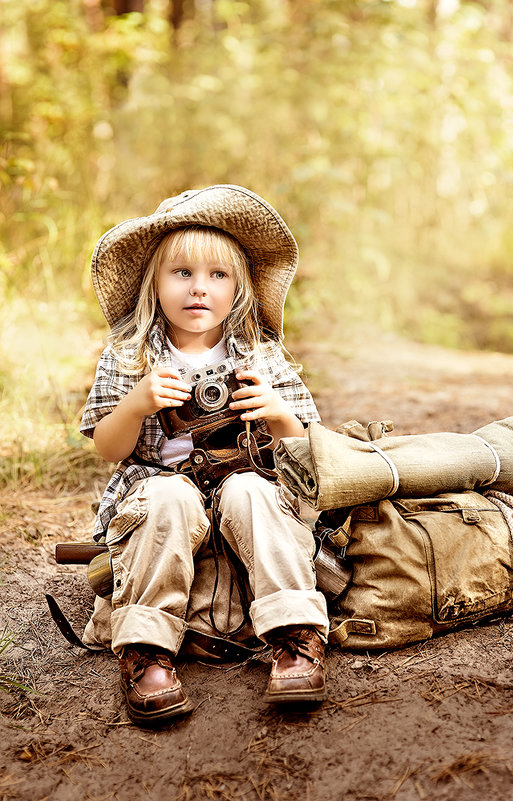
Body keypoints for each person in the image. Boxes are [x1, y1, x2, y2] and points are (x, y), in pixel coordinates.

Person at [80, 184, 329, 726]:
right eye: (182, 273)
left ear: (239, 289)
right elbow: (107, 449)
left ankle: (295, 636)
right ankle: (148, 651)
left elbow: (309, 444)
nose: (200, 289)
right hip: (161, 490)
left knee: (253, 490)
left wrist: (275, 411)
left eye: (218, 276)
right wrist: (137, 403)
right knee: (165, 494)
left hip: (244, 485)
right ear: (155, 282)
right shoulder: (129, 354)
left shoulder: (259, 352)